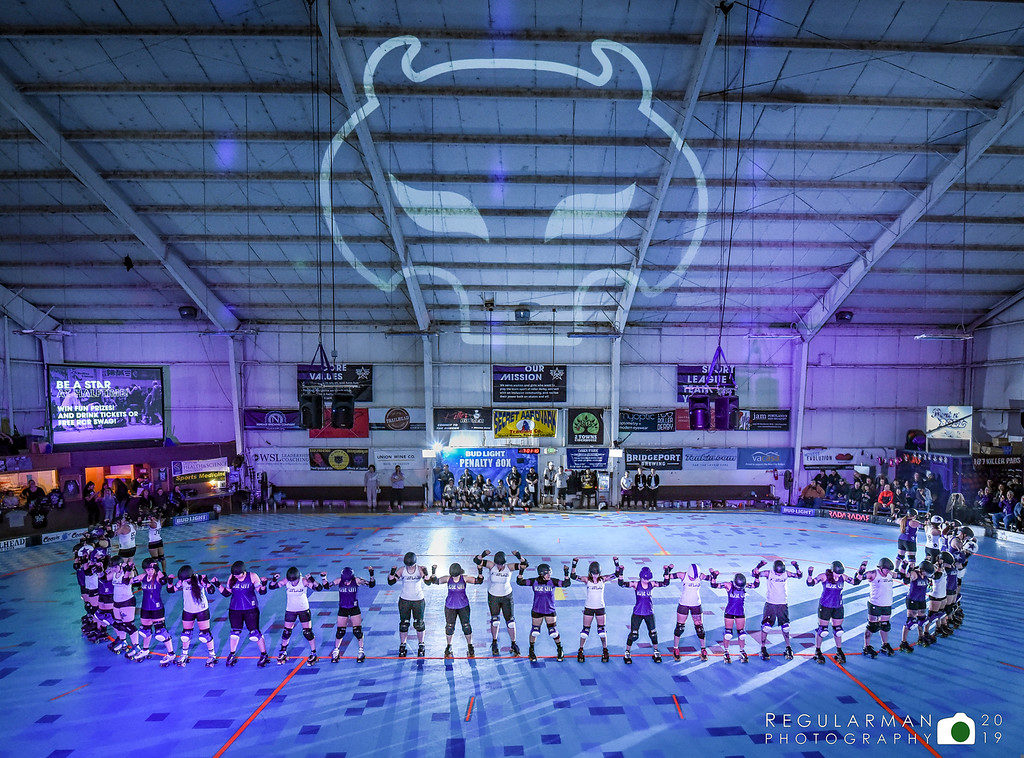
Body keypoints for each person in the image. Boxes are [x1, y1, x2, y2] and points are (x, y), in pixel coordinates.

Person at [474, 548, 528, 656]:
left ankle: (513, 643)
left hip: (507, 596)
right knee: (495, 621)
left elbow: (524, 564)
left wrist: (518, 555)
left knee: (511, 622)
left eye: (501, 565)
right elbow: (477, 560)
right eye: (498, 564)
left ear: (505, 563)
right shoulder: (491, 565)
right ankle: (494, 642)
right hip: (493, 596)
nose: (499, 567)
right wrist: (483, 554)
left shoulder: (509, 567)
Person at [218, 560, 271, 667]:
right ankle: (232, 654)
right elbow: (227, 593)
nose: (236, 577)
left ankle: (264, 654)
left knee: (255, 633)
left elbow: (261, 592)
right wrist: (217, 585)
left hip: (250, 609)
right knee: (234, 632)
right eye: (235, 575)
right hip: (235, 609)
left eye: (238, 575)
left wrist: (264, 585)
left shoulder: (252, 576)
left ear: (244, 572)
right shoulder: (232, 577)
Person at [806, 560, 860, 664]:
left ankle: (839, 650)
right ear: (832, 570)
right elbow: (810, 583)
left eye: (839, 574)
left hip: (838, 606)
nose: (838, 576)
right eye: (836, 573)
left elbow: (855, 582)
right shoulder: (824, 576)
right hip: (825, 606)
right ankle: (818, 650)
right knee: (822, 630)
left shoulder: (843, 577)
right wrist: (810, 574)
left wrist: (861, 571)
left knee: (838, 630)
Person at [429, 561, 485, 658]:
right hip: (450, 607)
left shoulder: (465, 578)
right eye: (453, 576)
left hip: (463, 606)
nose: (454, 578)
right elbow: (435, 581)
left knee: (466, 626)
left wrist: (480, 572)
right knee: (449, 627)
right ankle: (449, 645)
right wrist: (433, 572)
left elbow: (478, 581)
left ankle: (470, 646)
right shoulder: (447, 578)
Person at [517, 562, 571, 662]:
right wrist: (521, 570)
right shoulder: (534, 581)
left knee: (553, 632)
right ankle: (531, 650)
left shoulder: (553, 581)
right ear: (541, 574)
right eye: (547, 574)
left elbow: (566, 584)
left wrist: (566, 572)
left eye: (550, 573)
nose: (549, 575)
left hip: (550, 610)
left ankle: (560, 648)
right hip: (537, 610)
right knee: (535, 631)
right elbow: (520, 582)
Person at [617, 564, 670, 664]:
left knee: (653, 634)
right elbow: (621, 584)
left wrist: (666, 571)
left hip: (649, 612)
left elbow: (665, 583)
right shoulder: (636, 584)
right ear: (640, 577)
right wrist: (621, 572)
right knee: (634, 635)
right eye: (645, 579)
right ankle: (627, 652)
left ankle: (656, 651)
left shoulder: (652, 584)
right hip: (637, 613)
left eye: (648, 579)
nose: (646, 581)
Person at [167, 565, 219, 666]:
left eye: (186, 579)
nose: (185, 581)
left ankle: (212, 655)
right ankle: (184, 654)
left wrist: (207, 582)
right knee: (185, 635)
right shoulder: (183, 581)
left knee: (205, 634)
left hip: (201, 611)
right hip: (188, 611)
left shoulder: (200, 579)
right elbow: (171, 590)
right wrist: (169, 582)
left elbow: (211, 591)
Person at [751, 559, 802, 660]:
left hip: (782, 603)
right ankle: (763, 647)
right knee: (766, 627)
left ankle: (788, 647)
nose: (779, 574)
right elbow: (754, 574)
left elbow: (798, 576)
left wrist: (797, 567)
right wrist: (759, 565)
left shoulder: (786, 573)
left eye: (781, 573)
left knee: (786, 627)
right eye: (777, 573)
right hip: (771, 603)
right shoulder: (768, 573)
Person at [270, 567, 321, 666]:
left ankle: (313, 653)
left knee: (307, 632)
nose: (293, 583)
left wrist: (312, 579)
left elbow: (318, 588)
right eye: (291, 581)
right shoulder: (286, 581)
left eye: (294, 581)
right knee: (286, 632)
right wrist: (274, 579)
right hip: (290, 610)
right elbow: (272, 587)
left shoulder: (304, 581)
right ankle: (283, 651)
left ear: (298, 578)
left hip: (303, 609)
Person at [570, 558, 617, 662]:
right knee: (585, 631)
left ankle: (605, 650)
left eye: (597, 574)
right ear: (590, 573)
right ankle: (580, 650)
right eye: (593, 574)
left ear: (599, 573)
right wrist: (574, 564)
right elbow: (573, 576)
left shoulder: (603, 579)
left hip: (600, 608)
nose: (595, 576)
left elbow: (616, 574)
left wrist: (616, 563)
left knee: (602, 631)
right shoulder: (586, 579)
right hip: (589, 608)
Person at [130, 558, 175, 665]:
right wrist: (128, 570)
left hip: (157, 608)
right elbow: (127, 581)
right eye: (147, 569)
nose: (150, 571)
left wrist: (157, 568)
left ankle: (171, 653)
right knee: (145, 631)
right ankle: (145, 650)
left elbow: (163, 580)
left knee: (161, 631)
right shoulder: (143, 577)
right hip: (145, 608)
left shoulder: (158, 577)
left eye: (151, 569)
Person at [325, 566, 375, 663]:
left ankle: (361, 651)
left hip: (354, 608)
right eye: (345, 581)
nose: (346, 583)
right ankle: (336, 651)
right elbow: (327, 586)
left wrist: (371, 574)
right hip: (343, 608)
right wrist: (324, 578)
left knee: (357, 631)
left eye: (348, 581)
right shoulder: (339, 580)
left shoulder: (357, 580)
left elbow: (371, 584)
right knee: (340, 631)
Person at [710, 570, 760, 663]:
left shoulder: (744, 585)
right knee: (728, 634)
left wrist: (757, 576)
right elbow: (714, 585)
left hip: (740, 612)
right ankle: (726, 651)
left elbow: (756, 585)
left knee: (742, 634)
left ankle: (742, 650)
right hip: (729, 611)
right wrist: (714, 577)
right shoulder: (728, 585)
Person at [666, 562, 712, 661]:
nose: (692, 579)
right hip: (684, 604)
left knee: (700, 628)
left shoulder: (701, 576)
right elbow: (667, 577)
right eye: (691, 577)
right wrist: (667, 570)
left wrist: (714, 575)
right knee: (680, 628)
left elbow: (712, 580)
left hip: (696, 604)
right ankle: (675, 648)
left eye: (694, 578)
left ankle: (703, 649)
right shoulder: (682, 575)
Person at [387, 551, 429, 658]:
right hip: (404, 600)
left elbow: (428, 582)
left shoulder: (420, 569)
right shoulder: (402, 570)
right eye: (408, 565)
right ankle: (403, 644)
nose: (409, 567)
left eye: (411, 565)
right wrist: (392, 572)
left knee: (419, 624)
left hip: (418, 600)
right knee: (404, 624)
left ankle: (421, 644)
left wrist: (426, 573)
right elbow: (391, 582)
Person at [858, 557, 898, 658]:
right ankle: (866, 646)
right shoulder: (873, 574)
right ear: (881, 567)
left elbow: (901, 576)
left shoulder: (890, 574)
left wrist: (906, 566)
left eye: (889, 570)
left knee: (885, 626)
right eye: (886, 569)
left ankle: (884, 644)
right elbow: (858, 578)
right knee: (872, 626)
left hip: (887, 604)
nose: (888, 572)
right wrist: (862, 569)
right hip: (875, 604)